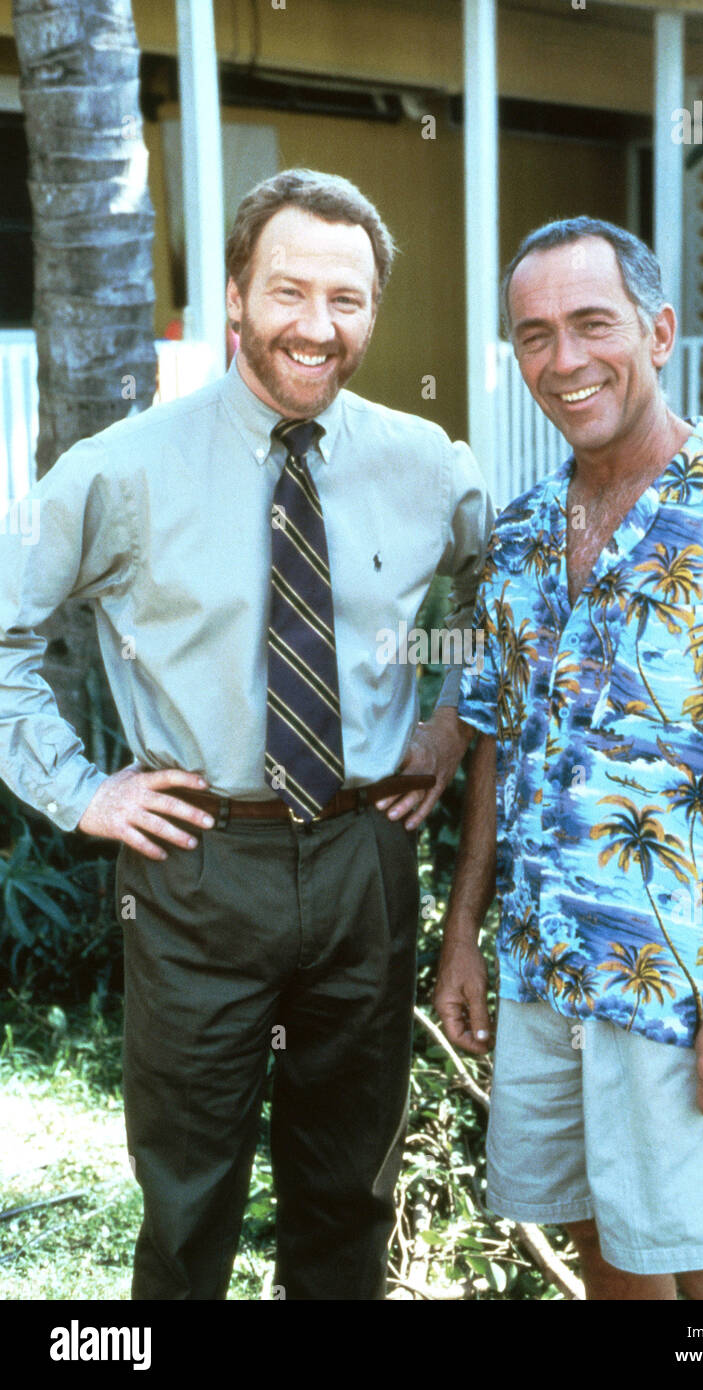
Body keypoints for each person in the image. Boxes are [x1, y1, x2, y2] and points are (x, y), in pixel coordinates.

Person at [0, 168, 493, 1300]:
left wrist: (452, 718)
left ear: (372, 310)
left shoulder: (426, 464)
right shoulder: (122, 469)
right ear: (233, 296)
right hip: (195, 868)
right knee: (187, 1205)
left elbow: (508, 599)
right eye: (287, 291)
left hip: (366, 857)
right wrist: (81, 793)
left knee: (348, 1197)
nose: (316, 327)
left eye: (347, 300)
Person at [434, 217, 703, 1300]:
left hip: (688, 987)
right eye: (533, 335)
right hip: (545, 973)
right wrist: (465, 937)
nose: (563, 360)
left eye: (591, 324)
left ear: (658, 330)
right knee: (605, 1254)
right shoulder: (522, 536)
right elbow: (495, 746)